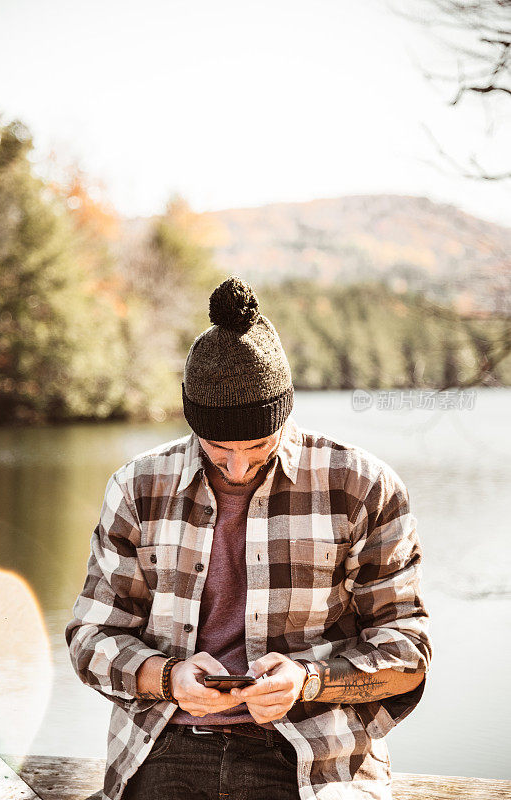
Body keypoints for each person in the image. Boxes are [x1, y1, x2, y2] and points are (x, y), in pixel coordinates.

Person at [65, 276, 432, 800]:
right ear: (193, 422)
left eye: (257, 445)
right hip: (165, 743)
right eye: (217, 446)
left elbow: (408, 654)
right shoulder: (137, 486)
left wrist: (309, 682)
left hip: (315, 753)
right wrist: (167, 678)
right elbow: (90, 638)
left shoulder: (362, 486)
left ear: (284, 415)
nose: (237, 467)